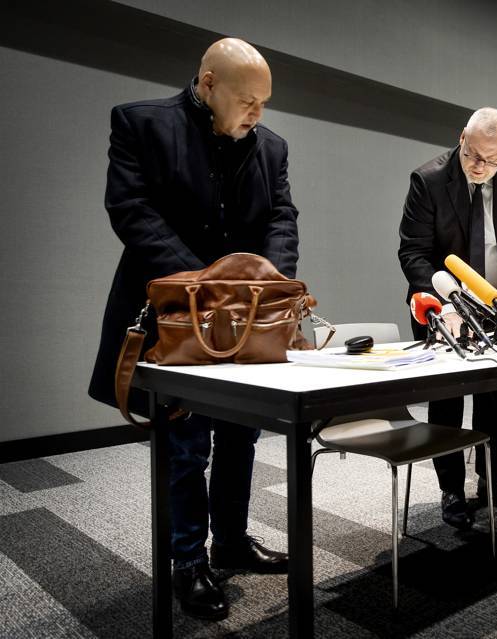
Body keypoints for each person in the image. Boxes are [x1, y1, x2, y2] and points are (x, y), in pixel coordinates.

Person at [88, 38, 299, 620]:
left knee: (241, 434)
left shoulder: (272, 147)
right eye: (246, 99)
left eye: (264, 101)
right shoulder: (141, 124)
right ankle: (187, 562)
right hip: (173, 317)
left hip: (244, 318)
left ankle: (230, 541)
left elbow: (282, 216)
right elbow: (131, 210)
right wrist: (203, 282)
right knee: (184, 446)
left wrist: (266, 280)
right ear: (207, 84)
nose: (257, 112)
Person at [398, 107, 497, 529]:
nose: (480, 167)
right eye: (473, 155)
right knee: (447, 399)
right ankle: (451, 489)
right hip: (440, 302)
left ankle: (492, 479)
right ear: (461, 137)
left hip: (495, 301)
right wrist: (447, 303)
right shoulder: (427, 180)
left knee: (494, 395)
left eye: (491, 159)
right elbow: (413, 253)